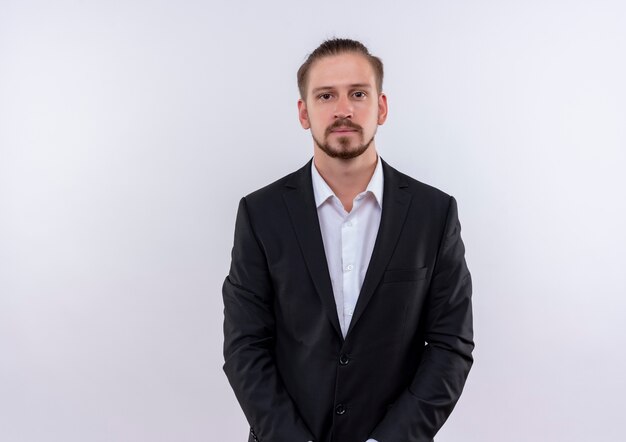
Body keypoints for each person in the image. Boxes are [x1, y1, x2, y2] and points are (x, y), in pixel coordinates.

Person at [222, 38, 474, 442]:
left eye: (358, 93)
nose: (343, 109)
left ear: (382, 107)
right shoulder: (259, 213)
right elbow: (244, 347)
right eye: (326, 96)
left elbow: (450, 345)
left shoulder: (434, 213)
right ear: (304, 113)